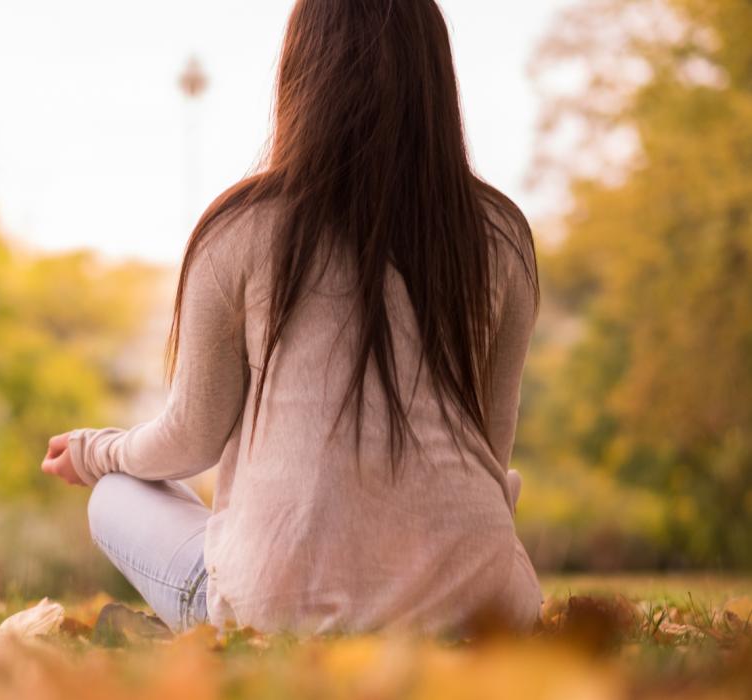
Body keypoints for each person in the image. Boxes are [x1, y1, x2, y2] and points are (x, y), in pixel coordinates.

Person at [40, 0, 541, 635]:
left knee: (116, 494)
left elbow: (191, 439)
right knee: (500, 488)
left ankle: (202, 629)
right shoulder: (502, 235)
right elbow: (491, 454)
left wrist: (93, 451)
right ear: (436, 75)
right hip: (485, 607)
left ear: (301, 71)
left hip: (280, 614)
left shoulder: (241, 228)